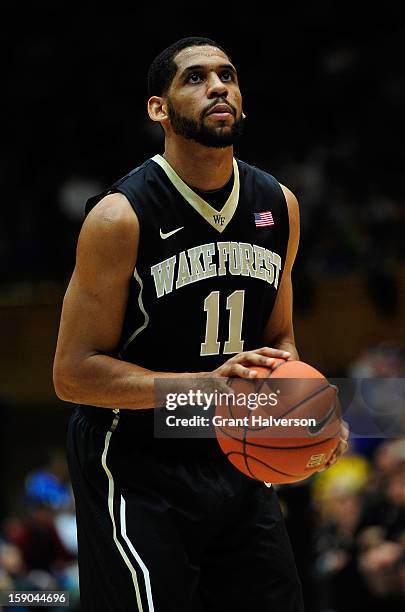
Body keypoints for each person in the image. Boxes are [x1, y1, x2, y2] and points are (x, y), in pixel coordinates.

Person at [53, 36, 349, 612]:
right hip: (136, 459)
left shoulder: (277, 202)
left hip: (232, 453)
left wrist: (305, 409)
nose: (218, 86)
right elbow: (73, 375)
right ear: (157, 109)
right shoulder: (119, 216)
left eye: (228, 76)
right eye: (194, 78)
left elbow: (279, 340)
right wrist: (208, 388)